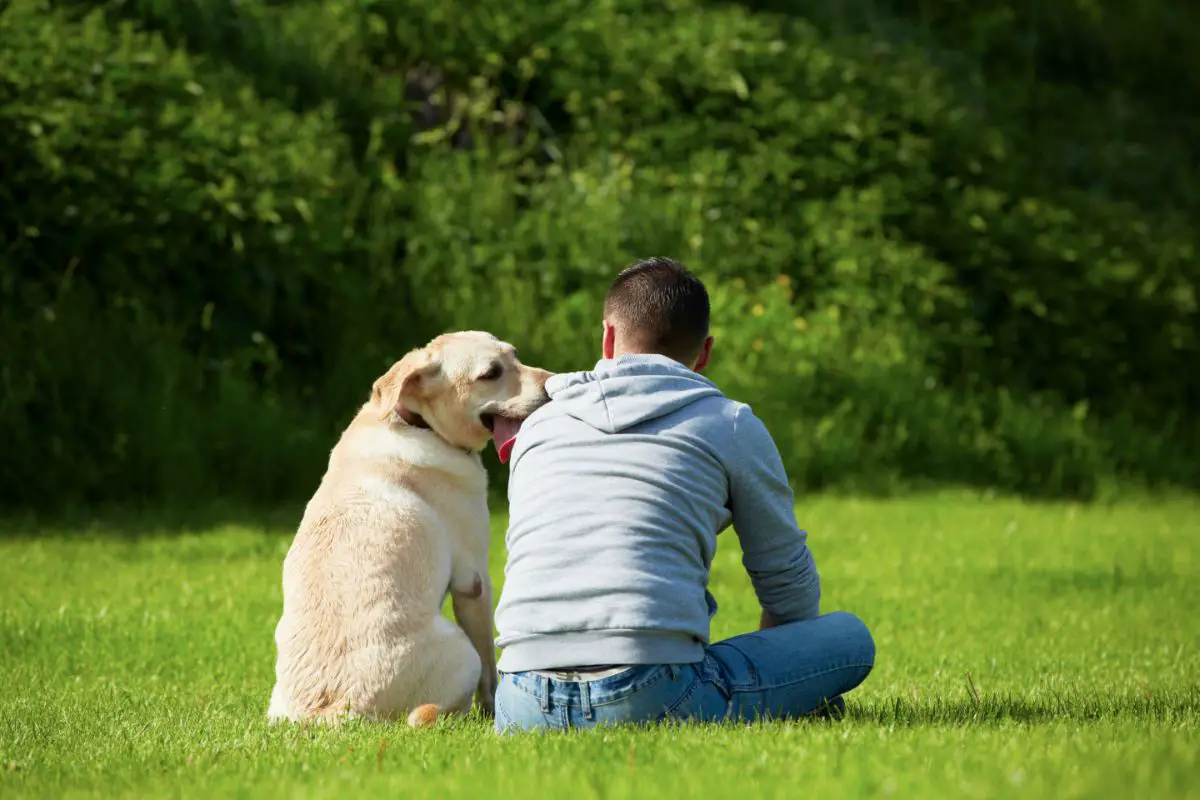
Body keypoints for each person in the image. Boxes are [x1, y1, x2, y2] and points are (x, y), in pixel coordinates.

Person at [491, 258, 875, 732]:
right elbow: (788, 587)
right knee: (851, 639)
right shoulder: (728, 423)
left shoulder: (538, 427)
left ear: (608, 338)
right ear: (705, 352)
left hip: (518, 700)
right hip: (653, 692)